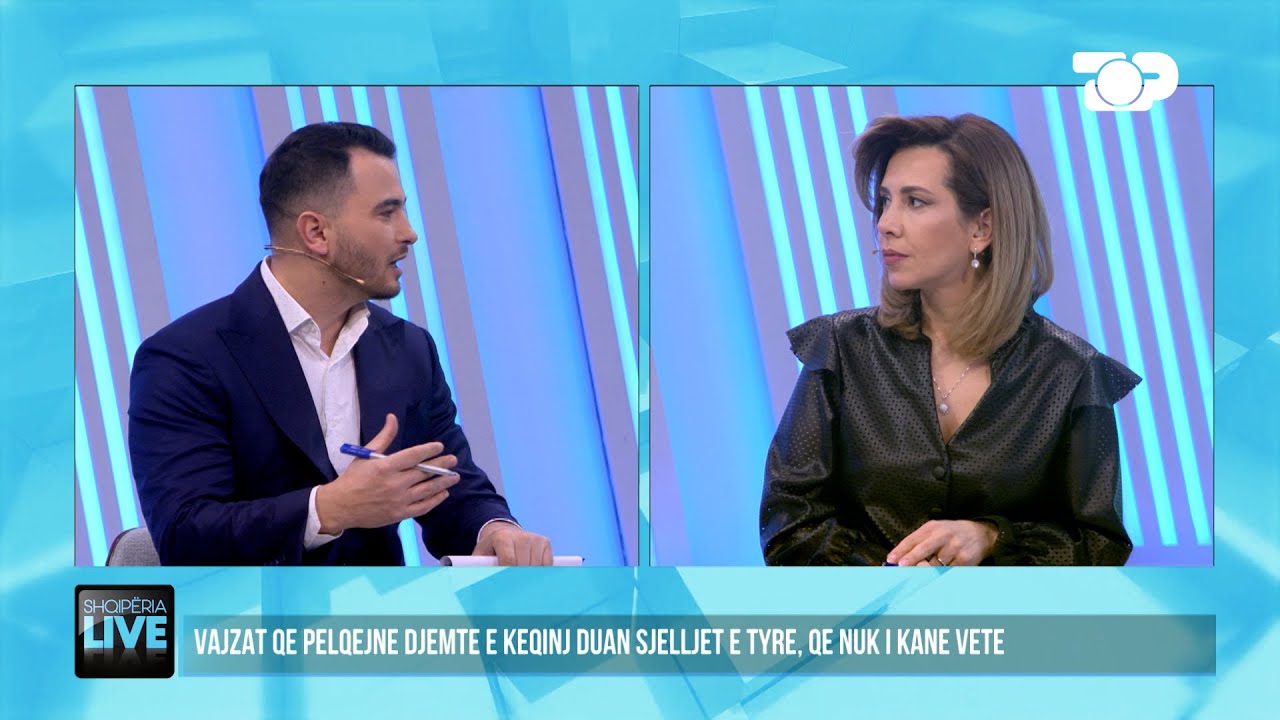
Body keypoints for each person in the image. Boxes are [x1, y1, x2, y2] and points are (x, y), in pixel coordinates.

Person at [129, 122, 553, 566]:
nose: (409, 233)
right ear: (316, 232)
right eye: (387, 213)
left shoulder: (409, 350)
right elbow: (186, 534)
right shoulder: (184, 359)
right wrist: (330, 509)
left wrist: (496, 529)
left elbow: (450, 485)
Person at [760, 114, 1137, 567]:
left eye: (915, 202)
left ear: (982, 228)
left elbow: (1099, 544)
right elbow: (789, 522)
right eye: (885, 202)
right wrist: (895, 576)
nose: (886, 224)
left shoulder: (1069, 372)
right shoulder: (841, 348)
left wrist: (994, 537)